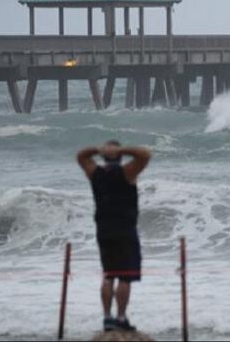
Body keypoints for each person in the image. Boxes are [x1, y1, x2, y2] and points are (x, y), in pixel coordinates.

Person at [76, 140, 152, 332]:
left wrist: (97, 149)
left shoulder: (95, 173)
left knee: (109, 275)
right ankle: (120, 317)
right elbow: (145, 154)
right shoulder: (127, 172)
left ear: (102, 157)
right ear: (120, 156)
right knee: (125, 277)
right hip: (125, 230)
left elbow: (81, 156)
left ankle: (107, 317)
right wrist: (123, 149)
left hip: (104, 229)